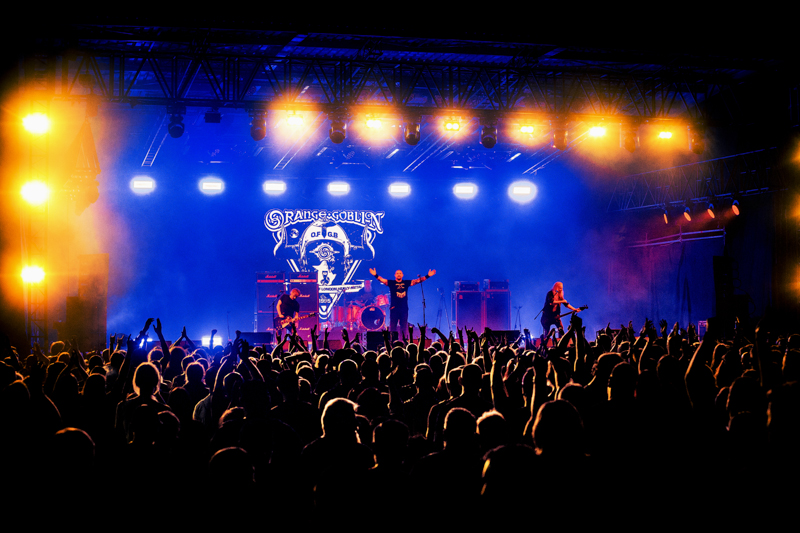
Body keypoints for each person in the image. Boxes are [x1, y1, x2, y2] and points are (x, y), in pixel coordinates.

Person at [369, 268, 436, 334]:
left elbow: (417, 281)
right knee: (393, 327)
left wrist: (428, 275)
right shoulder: (391, 283)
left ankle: (403, 342)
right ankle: (393, 342)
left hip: (404, 308)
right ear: (395, 275)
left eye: (400, 273)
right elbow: (382, 280)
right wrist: (375, 275)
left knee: (404, 327)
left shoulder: (406, 283)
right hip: (394, 308)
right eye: (397, 273)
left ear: (402, 275)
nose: (399, 274)